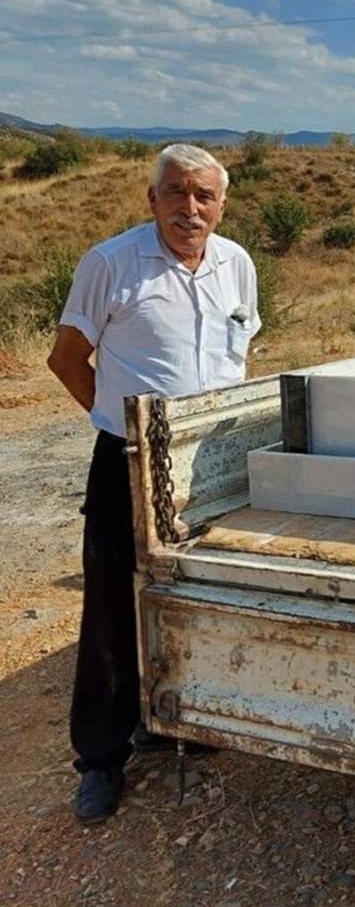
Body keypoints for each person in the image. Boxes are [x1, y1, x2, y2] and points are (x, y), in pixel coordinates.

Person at [48, 143, 260, 824]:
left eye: (204, 196)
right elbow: (65, 358)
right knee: (112, 599)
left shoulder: (237, 266)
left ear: (222, 205)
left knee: (190, 592)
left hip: (212, 462)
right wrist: (118, 427)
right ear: (152, 198)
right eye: (176, 193)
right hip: (129, 457)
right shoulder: (111, 264)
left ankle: (174, 720)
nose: (189, 209)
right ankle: (101, 759)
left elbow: (239, 358)